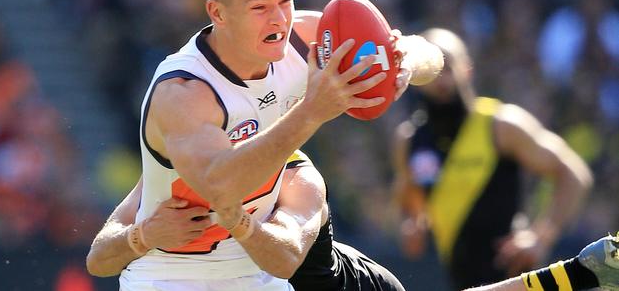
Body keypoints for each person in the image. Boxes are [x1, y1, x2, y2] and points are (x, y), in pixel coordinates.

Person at [94, 0, 442, 290]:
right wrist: (311, 112)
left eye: (286, 0)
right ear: (218, 13)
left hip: (260, 277)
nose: (279, 18)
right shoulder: (184, 93)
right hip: (170, 280)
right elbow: (221, 186)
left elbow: (430, 56)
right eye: (260, 6)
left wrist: (402, 63)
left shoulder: (302, 40)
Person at [86, 154, 619, 291]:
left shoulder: (298, 177)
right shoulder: (178, 171)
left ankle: (580, 273)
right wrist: (141, 235)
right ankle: (584, 273)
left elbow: (284, 257)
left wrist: (241, 224)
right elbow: (99, 257)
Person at [390, 28, 594, 290]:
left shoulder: (500, 124)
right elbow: (408, 198)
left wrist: (540, 238)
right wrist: (411, 223)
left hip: (515, 277)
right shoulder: (409, 141)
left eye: (449, 68)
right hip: (460, 280)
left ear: (467, 70)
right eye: (433, 72)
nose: (442, 81)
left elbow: (574, 173)